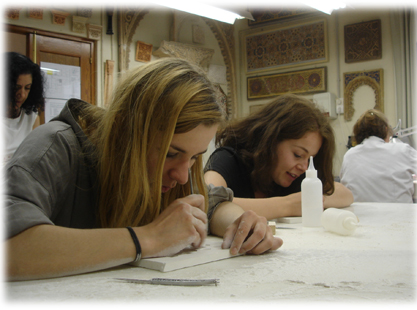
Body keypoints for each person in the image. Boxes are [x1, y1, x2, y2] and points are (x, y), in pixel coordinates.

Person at [5, 58, 282, 281]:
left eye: (195, 157)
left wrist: (240, 224)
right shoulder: (55, 147)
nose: (183, 175)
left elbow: (211, 202)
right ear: (128, 132)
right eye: (171, 154)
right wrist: (147, 238)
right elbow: (12, 246)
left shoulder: (173, 175)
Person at [204, 94, 353, 220]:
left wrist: (309, 199)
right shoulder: (228, 159)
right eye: (298, 155)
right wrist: (288, 205)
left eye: (310, 159)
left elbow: (344, 194)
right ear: (270, 140)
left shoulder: (294, 174)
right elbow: (208, 200)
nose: (304, 166)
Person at [339, 109, 417, 203]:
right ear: (386, 129)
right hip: (399, 216)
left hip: (360, 216)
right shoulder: (403, 150)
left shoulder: (349, 156)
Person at [3, 52, 45, 164]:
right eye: (16, 88)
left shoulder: (31, 117)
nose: (22, 95)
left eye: (27, 88)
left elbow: (35, 157)